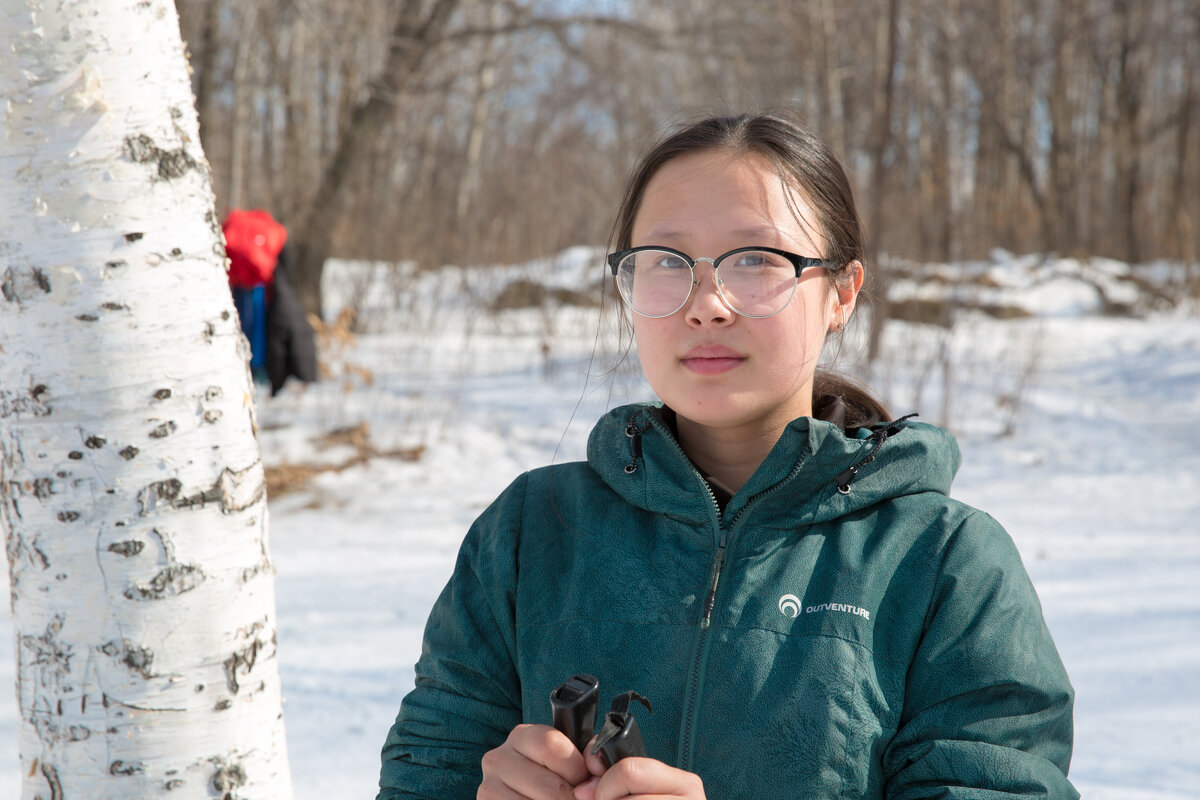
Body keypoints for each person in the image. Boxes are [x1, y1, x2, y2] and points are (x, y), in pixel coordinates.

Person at [377, 113, 1077, 800]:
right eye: (665, 262)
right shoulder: (533, 532)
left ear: (842, 293)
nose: (706, 304)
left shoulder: (942, 563)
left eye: (756, 261)